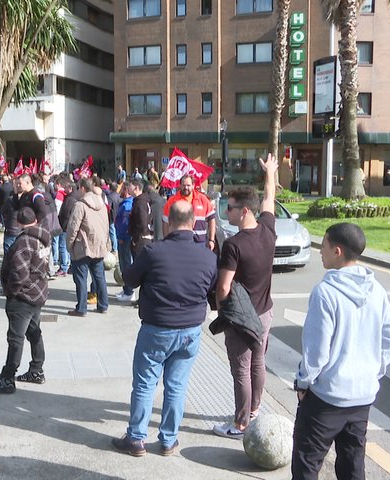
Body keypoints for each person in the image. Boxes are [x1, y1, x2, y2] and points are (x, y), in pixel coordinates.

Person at [291, 223, 390, 479]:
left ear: (337, 251)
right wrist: (373, 371)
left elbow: (317, 352)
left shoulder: (325, 293)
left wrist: (303, 382)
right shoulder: (377, 290)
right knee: (353, 466)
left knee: (307, 465)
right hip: (362, 397)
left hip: (326, 398)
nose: (320, 251)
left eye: (324, 245)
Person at [112, 201, 217, 457]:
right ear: (193, 223)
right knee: (177, 386)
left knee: (146, 384)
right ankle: (169, 440)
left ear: (167, 223)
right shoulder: (208, 256)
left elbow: (129, 279)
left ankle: (136, 438)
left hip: (157, 328)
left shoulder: (152, 252)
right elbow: (212, 291)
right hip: (191, 330)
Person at [212, 154, 278, 439]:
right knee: (258, 362)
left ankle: (240, 425)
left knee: (241, 369)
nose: (228, 211)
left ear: (245, 211)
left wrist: (219, 308)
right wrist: (270, 174)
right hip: (264, 312)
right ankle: (254, 410)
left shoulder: (234, 245)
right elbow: (269, 200)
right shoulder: (268, 231)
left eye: (231, 208)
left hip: (240, 317)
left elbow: (224, 287)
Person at [0, 208, 51, 393]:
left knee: (16, 337)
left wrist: (11, 291)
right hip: (38, 292)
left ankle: (8, 377)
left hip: (23, 296)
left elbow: (19, 273)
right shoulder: (43, 238)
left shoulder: (23, 242)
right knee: (34, 331)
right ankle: (37, 369)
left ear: (19, 223)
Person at [65, 178, 110, 317]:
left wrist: (69, 244)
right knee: (99, 277)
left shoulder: (80, 205)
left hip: (83, 246)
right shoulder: (101, 203)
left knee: (81, 278)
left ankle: (81, 308)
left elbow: (73, 227)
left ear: (83, 188)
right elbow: (106, 224)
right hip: (99, 244)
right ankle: (103, 305)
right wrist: (106, 242)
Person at [163, 174, 216, 248]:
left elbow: (212, 219)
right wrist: (166, 240)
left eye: (188, 185)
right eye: (183, 185)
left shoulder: (202, 199)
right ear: (180, 185)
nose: (186, 187)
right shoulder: (172, 201)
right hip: (178, 244)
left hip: (199, 243)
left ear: (193, 185)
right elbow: (165, 222)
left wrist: (211, 240)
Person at [113, 181, 134, 303]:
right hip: (123, 238)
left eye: (122, 189)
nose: (120, 191)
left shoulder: (127, 206)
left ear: (126, 191)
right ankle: (126, 288)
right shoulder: (125, 204)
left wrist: (121, 236)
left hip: (124, 239)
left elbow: (124, 224)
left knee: (126, 265)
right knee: (124, 264)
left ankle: (129, 292)